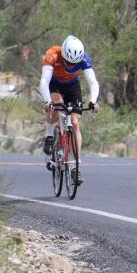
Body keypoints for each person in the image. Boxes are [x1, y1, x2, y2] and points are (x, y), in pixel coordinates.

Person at [39, 35, 99, 183]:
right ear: (63, 55)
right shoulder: (52, 54)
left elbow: (93, 82)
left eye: (75, 64)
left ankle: (75, 168)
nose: (71, 66)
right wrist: (47, 101)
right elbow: (44, 80)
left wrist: (92, 101)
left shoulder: (84, 58)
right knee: (56, 103)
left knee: (75, 122)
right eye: (68, 62)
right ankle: (49, 136)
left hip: (72, 86)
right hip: (54, 84)